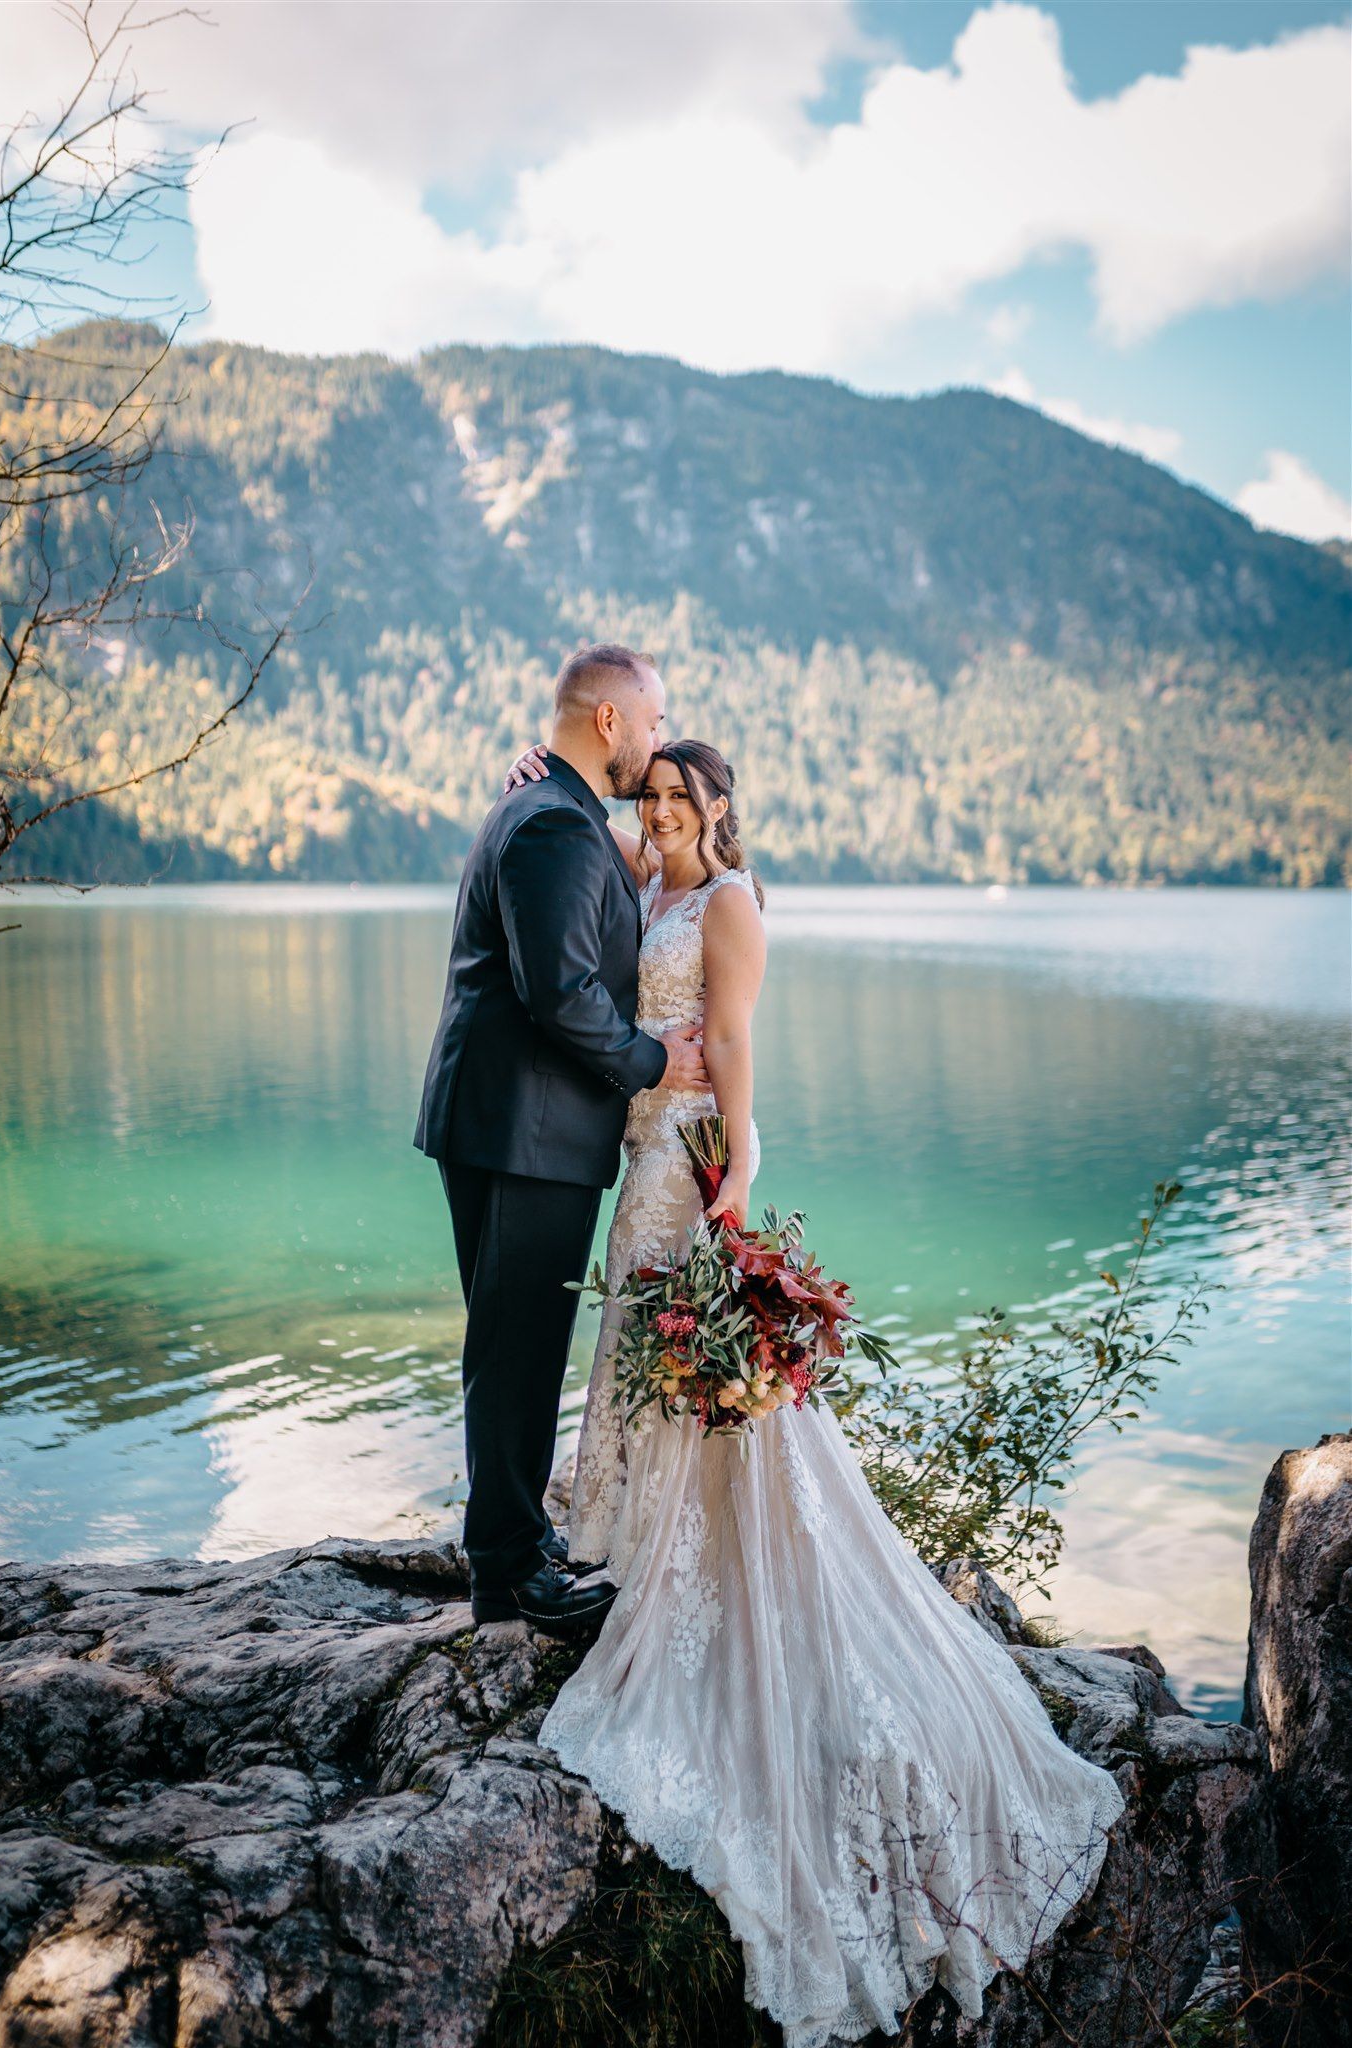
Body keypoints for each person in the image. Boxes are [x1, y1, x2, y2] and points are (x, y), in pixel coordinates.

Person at [502, 731, 1128, 2048]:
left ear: (717, 807)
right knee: (638, 1354)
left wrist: (730, 1187)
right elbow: (579, 868)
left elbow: (729, 1042)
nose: (661, 812)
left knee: (673, 1356)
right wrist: (542, 780)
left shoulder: (728, 904)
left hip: (687, 1160)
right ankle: (623, 1534)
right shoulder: (658, 885)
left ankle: (681, 1555)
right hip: (636, 1156)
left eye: (682, 797)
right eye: (652, 795)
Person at [412, 643, 712, 1635]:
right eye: (654, 718)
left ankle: (509, 1549)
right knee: (516, 1350)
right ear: (610, 721)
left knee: (513, 1345)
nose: (659, 738)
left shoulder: (556, 812)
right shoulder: (550, 823)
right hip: (522, 1130)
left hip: (515, 1123)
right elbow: (562, 995)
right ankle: (509, 1573)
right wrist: (654, 1061)